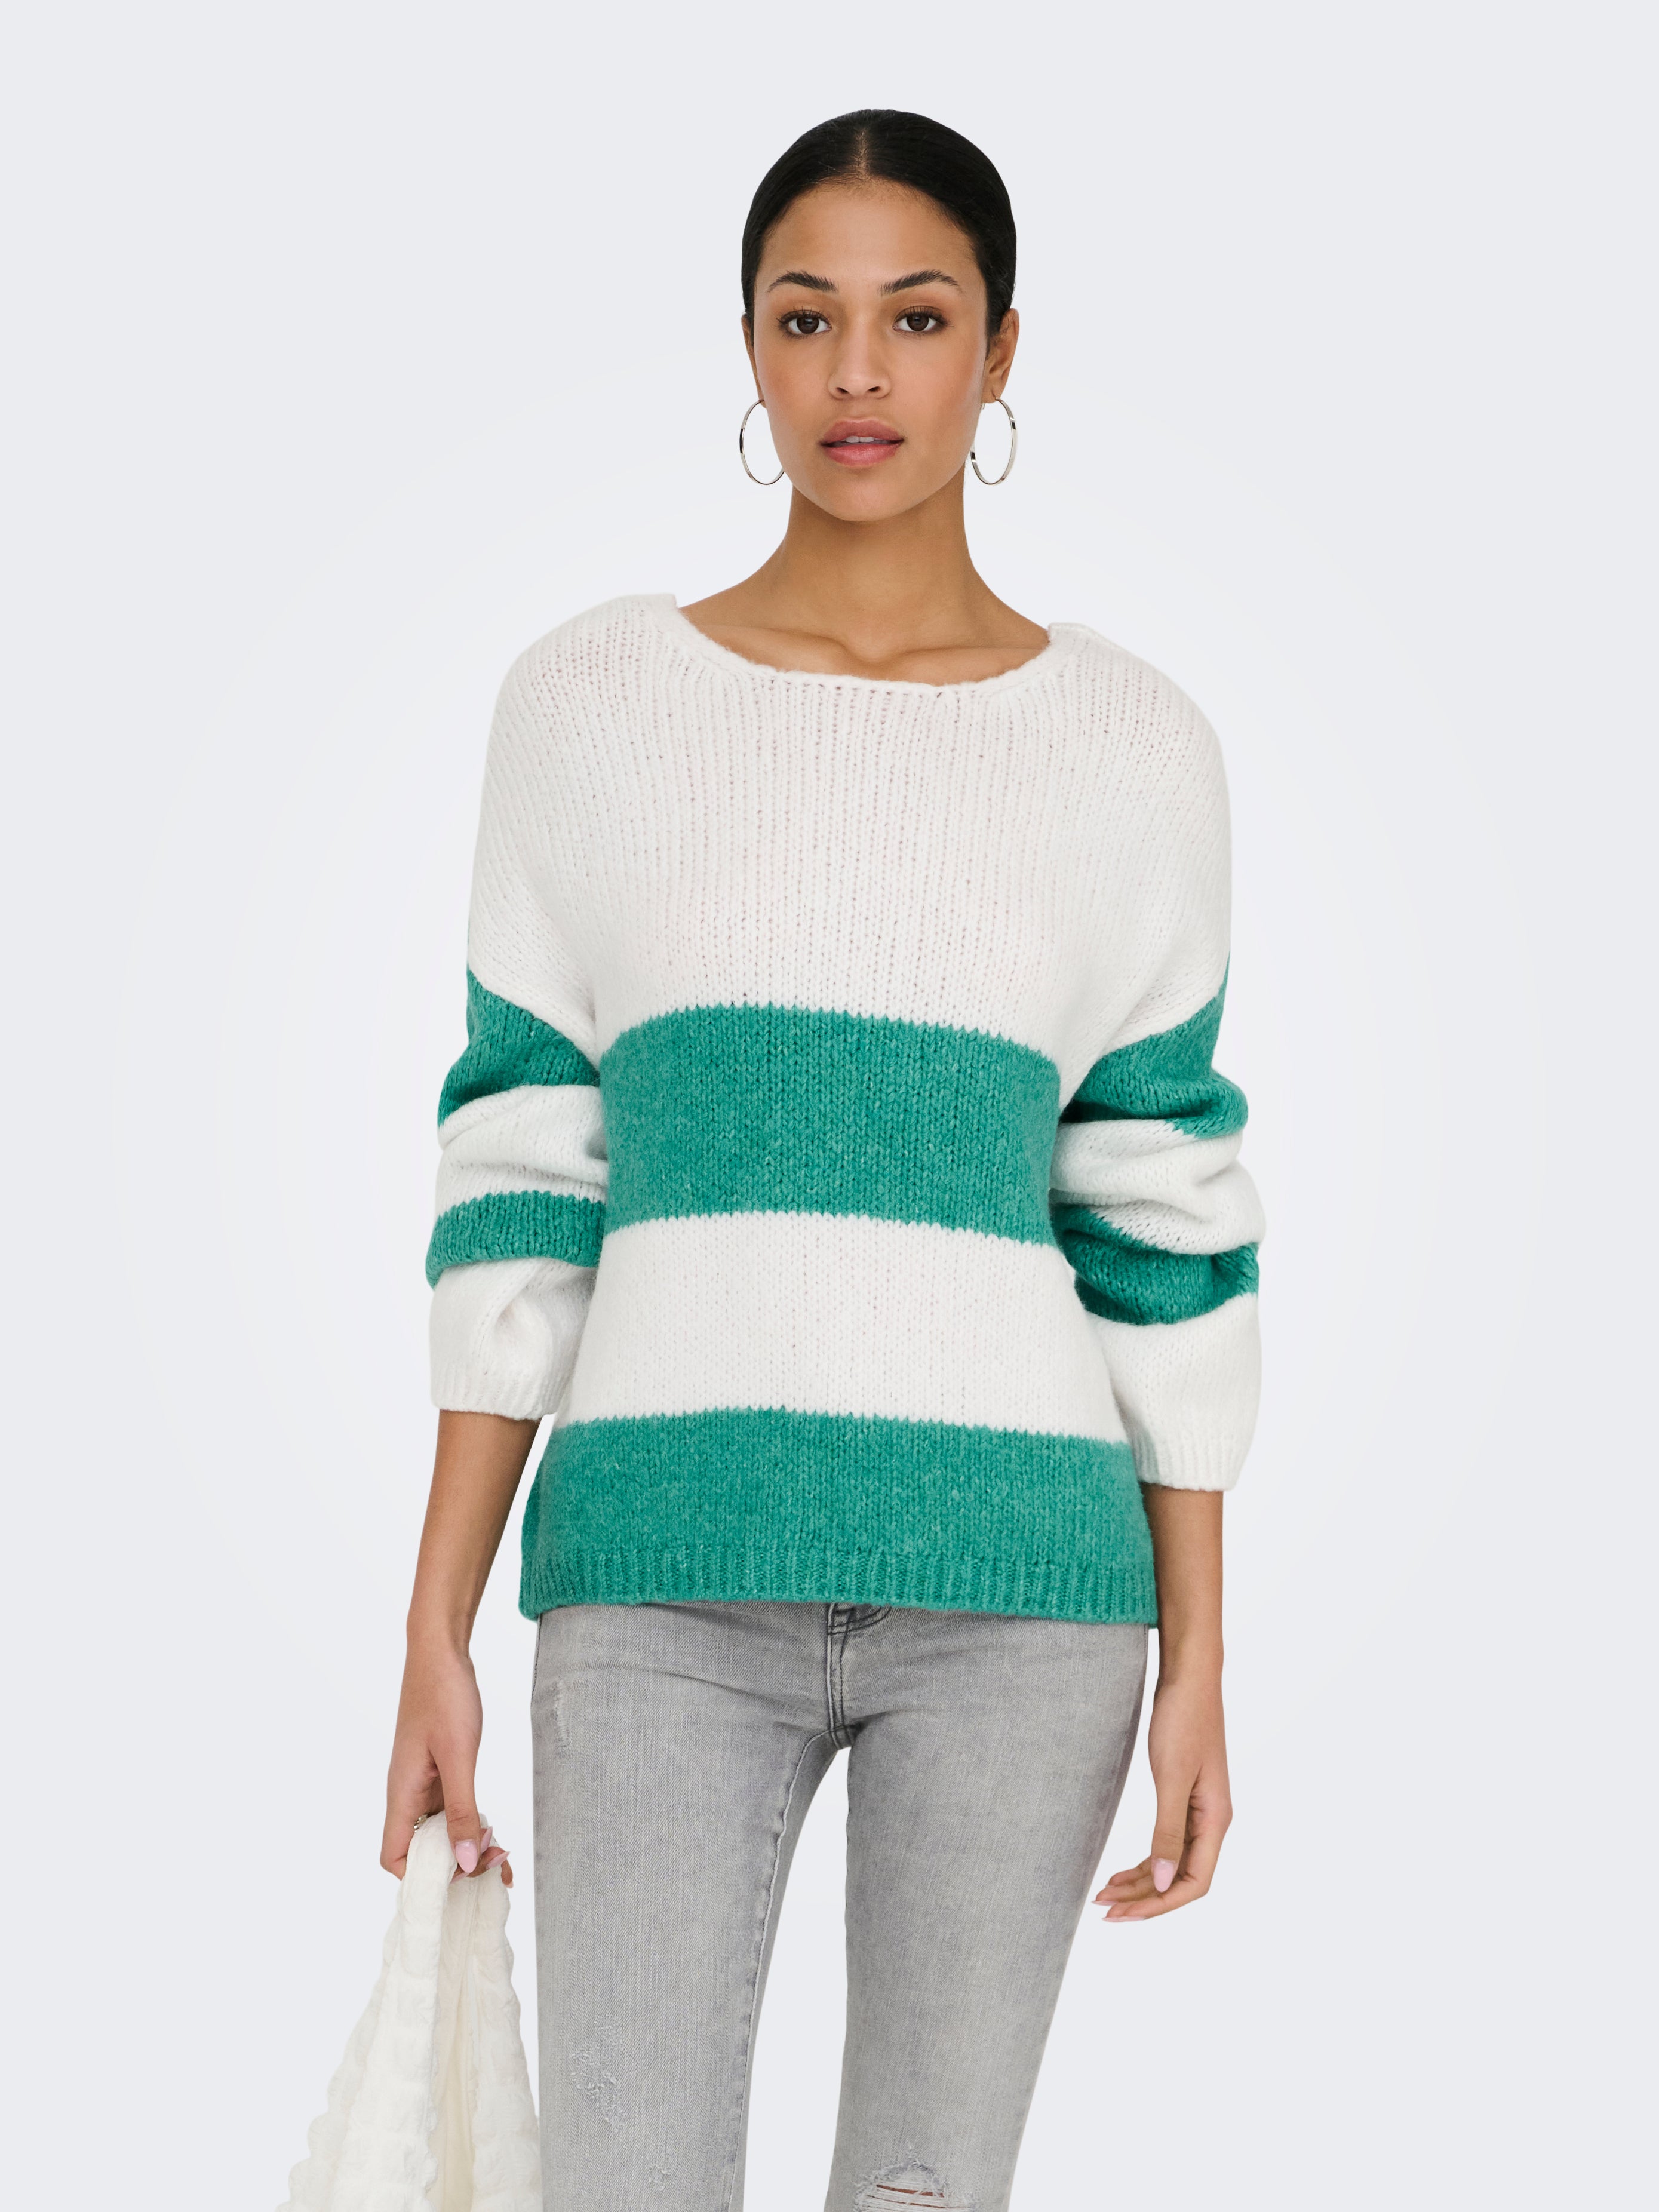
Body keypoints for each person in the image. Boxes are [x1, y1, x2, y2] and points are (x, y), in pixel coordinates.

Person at [382, 107, 1264, 2212]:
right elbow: (525, 1167)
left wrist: (1201, 1658)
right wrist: (433, 1618)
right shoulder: (590, 706)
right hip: (659, 1575)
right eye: (806, 318)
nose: (858, 372)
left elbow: (1161, 1215)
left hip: (1023, 1596)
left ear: (1001, 349)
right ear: (750, 350)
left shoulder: (1135, 750)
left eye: (917, 317)